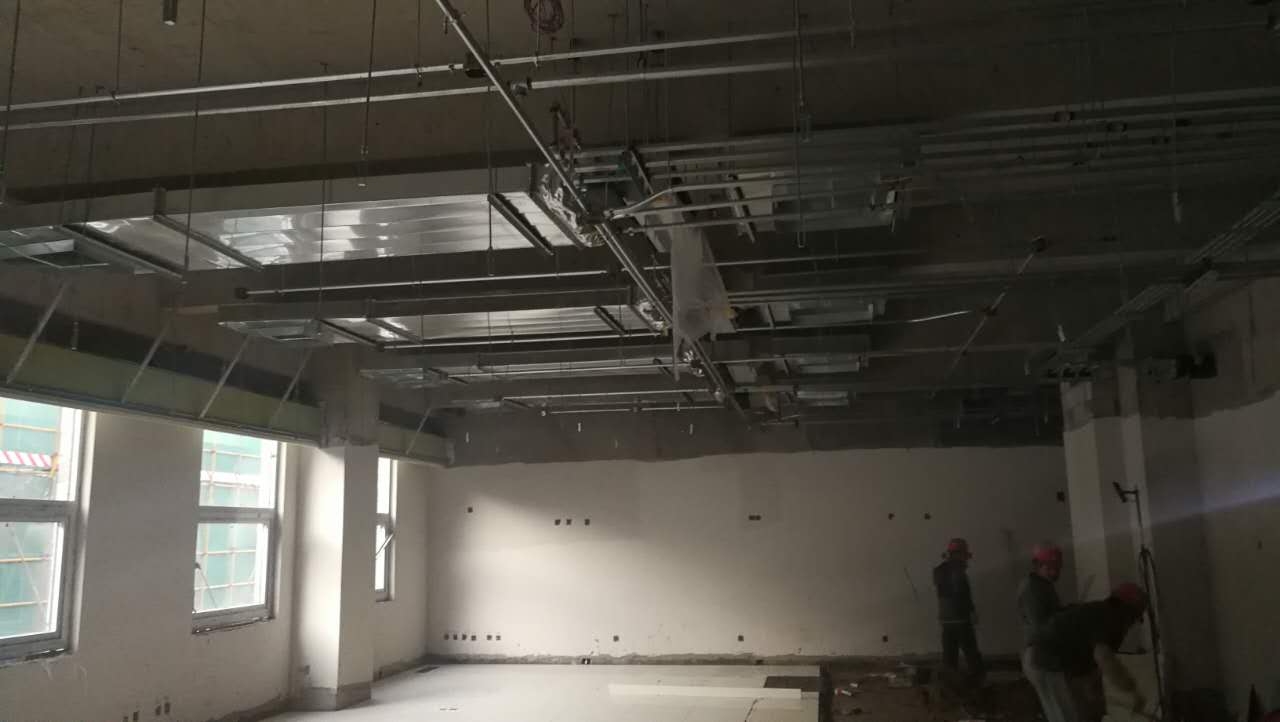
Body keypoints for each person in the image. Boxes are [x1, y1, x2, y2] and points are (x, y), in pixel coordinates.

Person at [1025, 582, 1150, 722]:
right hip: (1047, 660)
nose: (1133, 623)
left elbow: (1093, 665)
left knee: (1079, 714)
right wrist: (1131, 690)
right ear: (1128, 609)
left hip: (1041, 657)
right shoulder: (1112, 617)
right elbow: (1104, 657)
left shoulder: (1098, 613)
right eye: (1135, 615)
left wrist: (1094, 691)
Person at [933, 537, 985, 685]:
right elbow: (962, 594)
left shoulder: (939, 570)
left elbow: (944, 593)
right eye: (964, 555)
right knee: (971, 653)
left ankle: (950, 686)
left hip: (945, 620)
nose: (966, 559)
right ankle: (977, 683)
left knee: (949, 656)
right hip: (961, 619)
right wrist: (971, 611)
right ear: (959, 554)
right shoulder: (958, 572)